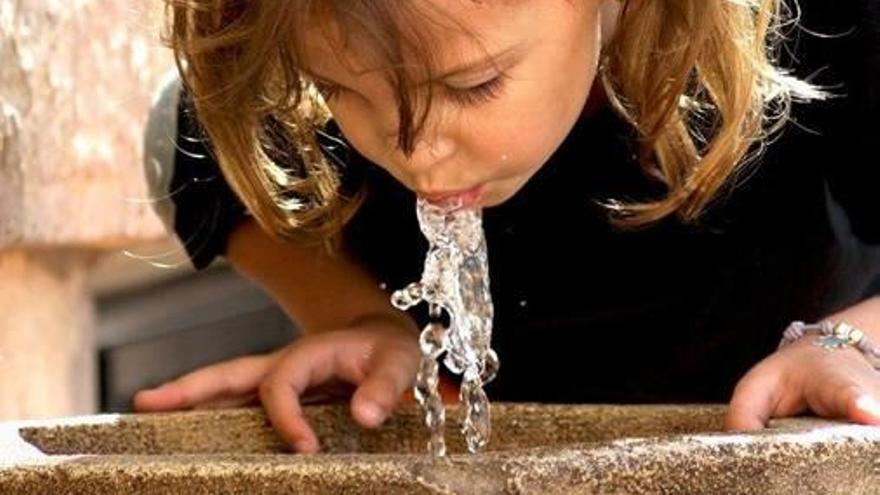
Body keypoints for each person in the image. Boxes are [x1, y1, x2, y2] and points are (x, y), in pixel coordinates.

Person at [134, 0, 880, 454]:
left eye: (471, 84)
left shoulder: (831, 33)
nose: (416, 152)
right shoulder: (309, 62)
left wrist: (854, 343)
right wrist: (355, 314)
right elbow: (198, 150)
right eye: (336, 90)